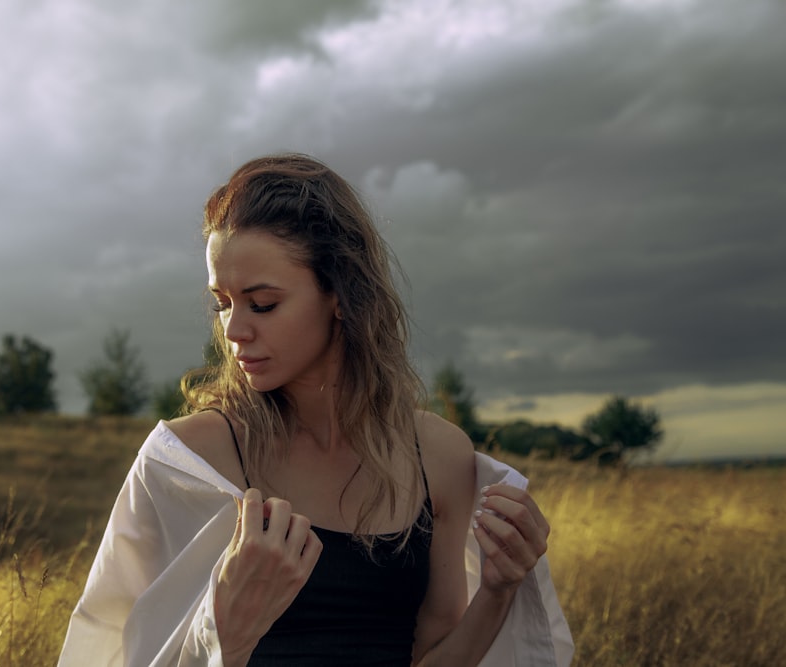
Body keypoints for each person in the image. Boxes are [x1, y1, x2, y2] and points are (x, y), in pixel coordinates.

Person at [58, 154, 572, 666]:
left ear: (342, 295)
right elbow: (117, 648)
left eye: (262, 303)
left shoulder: (439, 457)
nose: (234, 330)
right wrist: (225, 635)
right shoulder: (188, 463)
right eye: (223, 302)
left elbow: (433, 656)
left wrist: (499, 590)